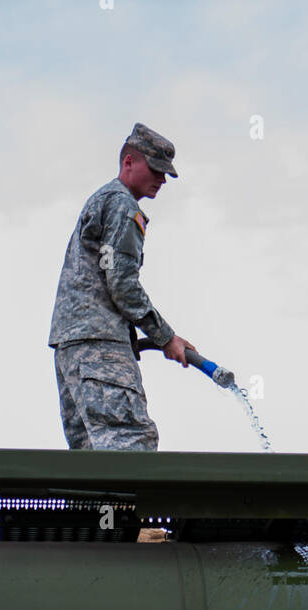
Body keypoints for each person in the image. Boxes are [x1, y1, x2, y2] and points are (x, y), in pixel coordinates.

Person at [49, 122, 194, 451]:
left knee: (92, 463)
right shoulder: (122, 206)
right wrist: (166, 337)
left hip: (72, 346)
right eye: (155, 169)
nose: (161, 179)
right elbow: (122, 283)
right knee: (129, 449)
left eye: (165, 174)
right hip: (100, 347)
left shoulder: (102, 200)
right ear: (128, 162)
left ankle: (103, 508)